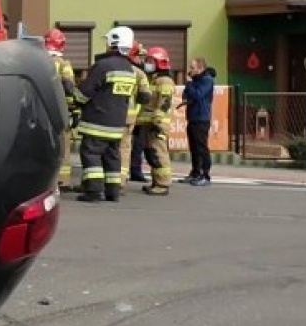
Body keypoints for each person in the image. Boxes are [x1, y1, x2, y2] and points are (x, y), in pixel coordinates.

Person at [72, 26, 143, 202]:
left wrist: (74, 98)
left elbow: (85, 93)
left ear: (113, 42)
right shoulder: (129, 69)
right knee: (112, 157)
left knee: (91, 154)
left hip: (97, 122)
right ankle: (112, 192)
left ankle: (94, 191)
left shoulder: (103, 65)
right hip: (117, 124)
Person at [133, 46, 177, 195]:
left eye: (151, 61)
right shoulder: (154, 79)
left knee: (158, 153)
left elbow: (165, 103)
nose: (147, 63)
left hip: (156, 124)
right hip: (148, 123)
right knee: (151, 153)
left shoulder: (165, 80)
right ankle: (156, 181)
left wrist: (157, 122)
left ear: (160, 62)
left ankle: (163, 184)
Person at [44, 28, 78, 190]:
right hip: (60, 111)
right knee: (63, 145)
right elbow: (69, 88)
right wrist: (74, 110)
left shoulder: (39, 61)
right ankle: (63, 181)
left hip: (42, 110)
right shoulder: (64, 64)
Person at [181, 56, 217, 185]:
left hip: (201, 118)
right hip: (192, 116)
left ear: (200, 68)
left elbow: (198, 94)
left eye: (192, 67)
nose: (190, 70)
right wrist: (188, 88)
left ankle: (205, 175)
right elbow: (186, 94)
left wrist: (190, 83)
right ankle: (195, 172)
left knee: (201, 147)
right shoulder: (195, 80)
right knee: (194, 147)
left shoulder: (207, 80)